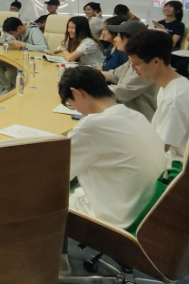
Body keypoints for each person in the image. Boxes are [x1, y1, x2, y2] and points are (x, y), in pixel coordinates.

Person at [59, 66, 165, 232]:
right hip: (151, 213)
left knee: (48, 196)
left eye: (70, 104)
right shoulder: (136, 116)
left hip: (121, 223)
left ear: (77, 93)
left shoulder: (91, 127)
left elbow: (55, 175)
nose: (77, 110)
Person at [126, 30, 189, 160]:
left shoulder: (175, 99)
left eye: (135, 64)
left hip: (179, 162)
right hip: (174, 154)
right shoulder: (173, 85)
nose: (133, 69)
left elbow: (159, 150)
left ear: (156, 62)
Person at [102, 20, 158, 120]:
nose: (115, 39)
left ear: (131, 40)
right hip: (127, 115)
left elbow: (121, 91)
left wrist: (88, 89)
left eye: (119, 36)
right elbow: (113, 74)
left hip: (141, 120)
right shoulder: (132, 60)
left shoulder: (146, 66)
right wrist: (86, 75)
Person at [0, 16, 49, 90]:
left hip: (34, 63)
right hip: (21, 60)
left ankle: (21, 89)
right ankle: (9, 88)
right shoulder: (17, 32)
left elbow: (44, 49)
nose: (12, 35)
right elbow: (7, 41)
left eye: (12, 33)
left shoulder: (34, 31)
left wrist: (24, 45)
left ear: (19, 28)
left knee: (9, 74)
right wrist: (1, 43)